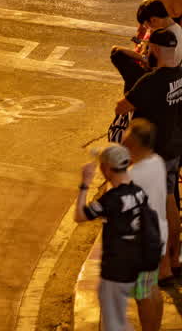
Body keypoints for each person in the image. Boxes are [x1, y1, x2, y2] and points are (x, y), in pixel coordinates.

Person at [116, 28, 182, 279]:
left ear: (153, 49)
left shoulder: (151, 81)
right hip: (174, 148)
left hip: (154, 154)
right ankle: (174, 259)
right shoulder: (180, 75)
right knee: (169, 201)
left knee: (155, 210)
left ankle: (162, 269)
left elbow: (122, 108)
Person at [76, 143, 161, 331]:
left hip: (118, 269)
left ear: (106, 168)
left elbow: (80, 216)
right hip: (144, 258)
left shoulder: (111, 200)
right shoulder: (139, 192)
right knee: (143, 299)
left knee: (114, 322)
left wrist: (85, 184)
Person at [125, 118, 172, 311]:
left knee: (143, 295)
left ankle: (149, 325)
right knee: (151, 288)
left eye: (126, 141)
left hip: (142, 243)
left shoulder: (132, 175)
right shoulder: (157, 161)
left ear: (134, 144)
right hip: (158, 235)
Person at [111, 0, 180, 96]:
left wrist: (140, 57)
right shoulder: (173, 29)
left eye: (146, 25)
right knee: (119, 54)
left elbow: (159, 66)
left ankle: (133, 97)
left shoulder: (167, 35)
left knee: (117, 54)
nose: (148, 29)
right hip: (166, 76)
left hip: (161, 81)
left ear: (153, 20)